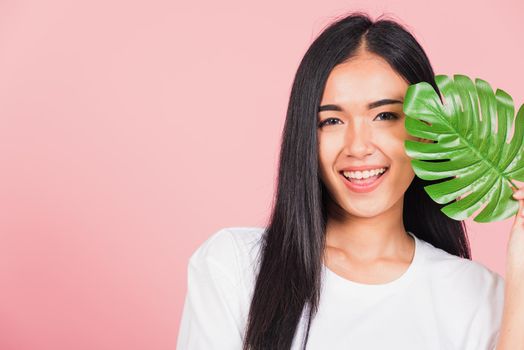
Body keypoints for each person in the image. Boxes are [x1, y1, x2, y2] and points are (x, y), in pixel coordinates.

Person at [176, 12, 524, 350]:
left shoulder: (479, 297)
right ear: (306, 137)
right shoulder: (233, 268)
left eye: (385, 115)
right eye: (331, 121)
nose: (358, 147)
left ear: (428, 132)